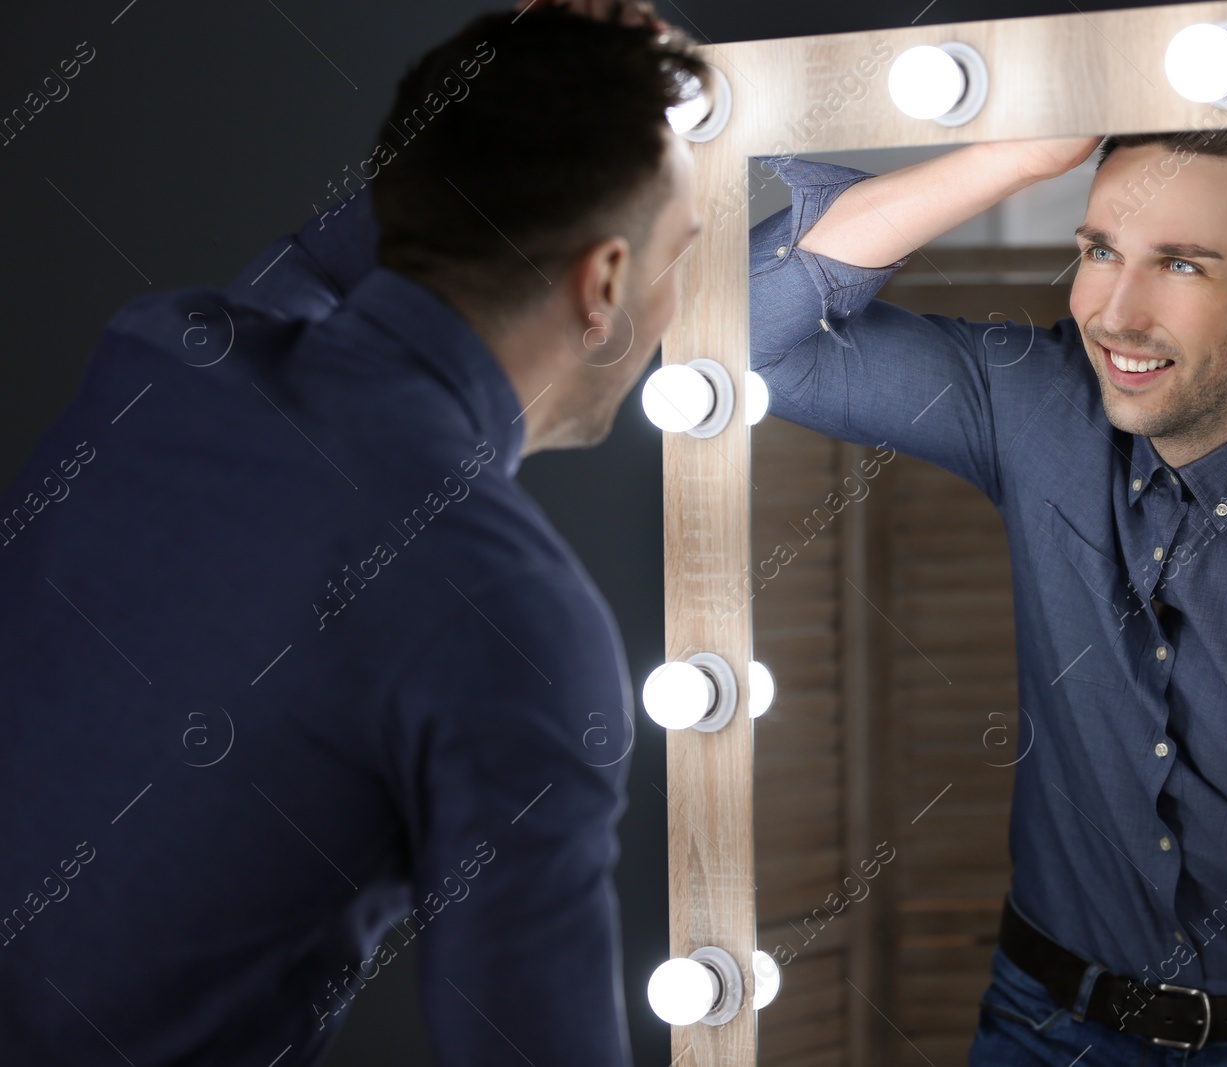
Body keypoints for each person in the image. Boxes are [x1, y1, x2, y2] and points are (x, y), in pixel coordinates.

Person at [0, 2, 704, 1064]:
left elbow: (351, 256)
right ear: (603, 282)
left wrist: (504, 85)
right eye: (678, 252)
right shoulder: (512, 617)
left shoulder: (167, 357)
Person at [748, 128, 1227, 1066]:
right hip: (1036, 1021)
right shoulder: (1035, 403)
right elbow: (744, 332)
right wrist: (1008, 161)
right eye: (1099, 251)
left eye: (1180, 263)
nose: (1117, 313)